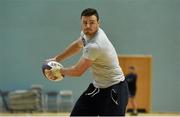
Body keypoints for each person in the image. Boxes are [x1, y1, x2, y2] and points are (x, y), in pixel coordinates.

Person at [46, 8, 128, 116]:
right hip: (97, 88)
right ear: (81, 23)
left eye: (92, 22)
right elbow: (77, 45)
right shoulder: (86, 34)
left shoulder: (96, 45)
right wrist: (57, 58)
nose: (88, 26)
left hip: (115, 87)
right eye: (85, 23)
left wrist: (59, 70)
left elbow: (78, 71)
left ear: (98, 23)